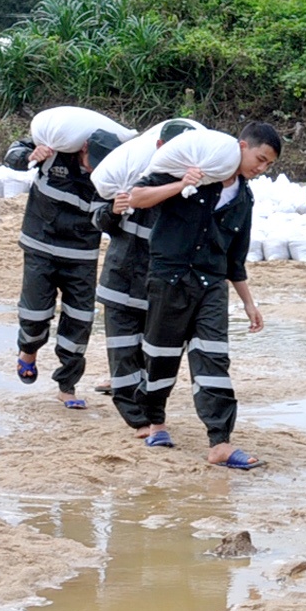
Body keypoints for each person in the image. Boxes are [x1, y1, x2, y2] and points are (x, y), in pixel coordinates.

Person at [125, 123, 281, 466]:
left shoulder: (244, 197)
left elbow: (235, 258)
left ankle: (220, 442)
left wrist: (249, 302)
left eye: (269, 164)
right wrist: (182, 184)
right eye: (260, 158)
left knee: (213, 358)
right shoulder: (190, 174)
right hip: (170, 278)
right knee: (161, 356)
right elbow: (136, 198)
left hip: (211, 286)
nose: (261, 168)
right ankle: (155, 422)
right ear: (240, 147)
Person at [96, 117, 199, 432]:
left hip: (160, 290)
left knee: (152, 358)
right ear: (159, 148)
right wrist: (112, 211)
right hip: (122, 281)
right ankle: (138, 420)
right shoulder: (135, 181)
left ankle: (148, 412)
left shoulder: (192, 194)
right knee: (124, 353)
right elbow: (102, 222)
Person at [13, 127, 117, 409]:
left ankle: (67, 386)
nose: (93, 168)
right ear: (83, 147)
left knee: (80, 320)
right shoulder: (55, 151)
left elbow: (110, 221)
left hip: (82, 254)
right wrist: (30, 155)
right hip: (41, 246)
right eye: (90, 160)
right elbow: (13, 156)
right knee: (35, 314)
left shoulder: (110, 175)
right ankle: (29, 350)